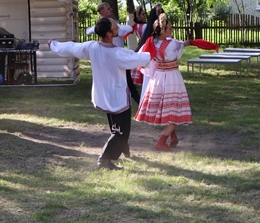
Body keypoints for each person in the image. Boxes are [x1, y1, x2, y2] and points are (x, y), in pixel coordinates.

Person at [50, 18, 151, 170]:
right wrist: (153, 53)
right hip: (117, 97)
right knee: (121, 132)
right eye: (115, 26)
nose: (118, 27)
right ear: (109, 34)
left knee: (117, 129)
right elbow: (138, 58)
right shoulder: (117, 53)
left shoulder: (92, 47)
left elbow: (71, 47)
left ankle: (121, 147)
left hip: (103, 95)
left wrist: (54, 44)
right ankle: (104, 159)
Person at [135, 13, 192, 151]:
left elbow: (144, 55)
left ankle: (173, 136)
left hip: (158, 77)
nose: (171, 30)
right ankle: (161, 141)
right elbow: (179, 48)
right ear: (161, 30)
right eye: (169, 28)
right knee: (175, 110)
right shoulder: (172, 43)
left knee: (166, 108)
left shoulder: (152, 41)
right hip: (172, 77)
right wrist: (188, 42)